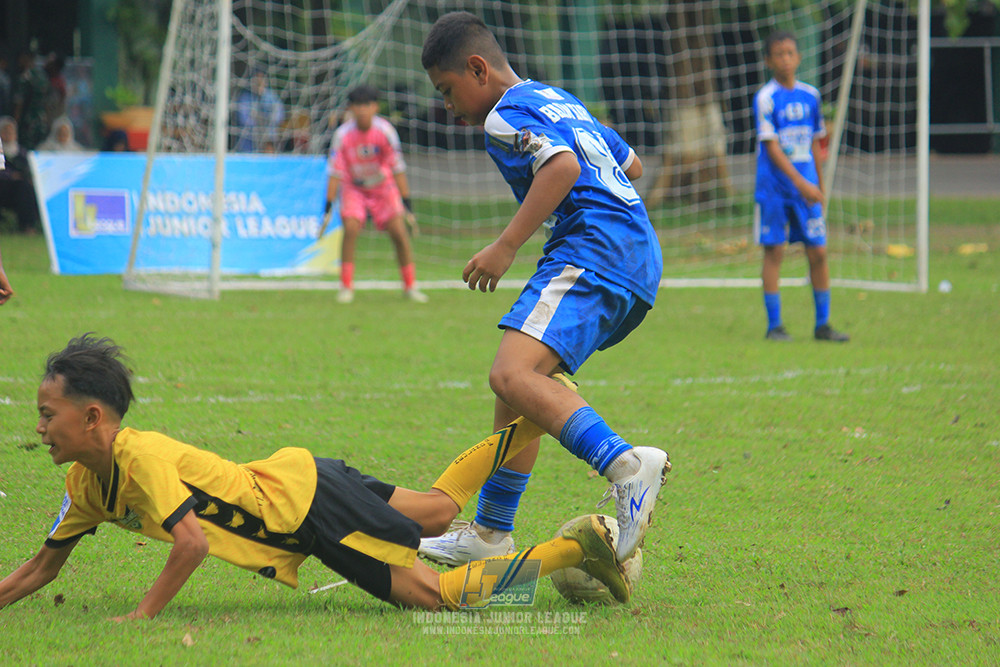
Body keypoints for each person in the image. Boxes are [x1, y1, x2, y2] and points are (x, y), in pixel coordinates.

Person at [0, 334, 630, 619]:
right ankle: (538, 417)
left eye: (46, 415)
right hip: (300, 480)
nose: (39, 428)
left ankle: (580, 544)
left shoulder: (140, 458)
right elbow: (40, 568)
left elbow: (191, 545)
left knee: (436, 599)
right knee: (438, 512)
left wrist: (140, 617)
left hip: (305, 509)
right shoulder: (85, 485)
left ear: (91, 418)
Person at [419, 12, 669, 566]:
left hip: (593, 250)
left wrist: (505, 246)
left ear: (477, 69)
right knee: (516, 388)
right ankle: (489, 535)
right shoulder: (555, 98)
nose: (448, 107)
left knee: (510, 374)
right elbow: (632, 163)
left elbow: (561, 167)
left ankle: (627, 467)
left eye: (447, 89)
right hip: (635, 252)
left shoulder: (503, 115)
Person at [753, 31, 849, 343]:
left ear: (799, 57)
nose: (785, 59)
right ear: (768, 60)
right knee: (775, 252)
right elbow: (773, 148)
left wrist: (819, 187)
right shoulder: (766, 98)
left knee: (819, 252)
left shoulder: (811, 96)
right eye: (778, 54)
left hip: (807, 188)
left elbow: (815, 146)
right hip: (776, 190)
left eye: (790, 53)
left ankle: (823, 325)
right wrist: (800, 184)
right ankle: (774, 326)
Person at [318, 84, 427, 304]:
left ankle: (410, 285)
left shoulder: (385, 132)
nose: (362, 110)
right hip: (354, 187)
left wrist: (407, 204)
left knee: (398, 232)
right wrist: (328, 207)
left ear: (375, 107)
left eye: (366, 105)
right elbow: (335, 172)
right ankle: (346, 286)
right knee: (350, 228)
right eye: (357, 106)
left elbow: (397, 168)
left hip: (381, 186)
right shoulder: (342, 135)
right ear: (350, 108)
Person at [0, 116, 41, 233]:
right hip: (2, 185)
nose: (8, 134)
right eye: (5, 131)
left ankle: (28, 226)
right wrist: (10, 176)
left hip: (16, 189)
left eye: (10, 131)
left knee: (26, 188)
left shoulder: (22, 152)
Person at [234, 68, 285, 153]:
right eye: (256, 79)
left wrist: (265, 124)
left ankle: (269, 154)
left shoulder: (271, 97)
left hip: (268, 137)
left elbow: (279, 116)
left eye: (261, 79)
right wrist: (258, 124)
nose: (259, 82)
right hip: (249, 141)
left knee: (270, 136)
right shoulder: (245, 98)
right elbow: (244, 119)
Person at [11, 49, 50, 151]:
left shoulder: (25, 77)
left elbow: (19, 102)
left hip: (28, 119)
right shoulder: (43, 76)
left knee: (27, 148)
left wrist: (15, 122)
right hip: (42, 119)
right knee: (40, 146)